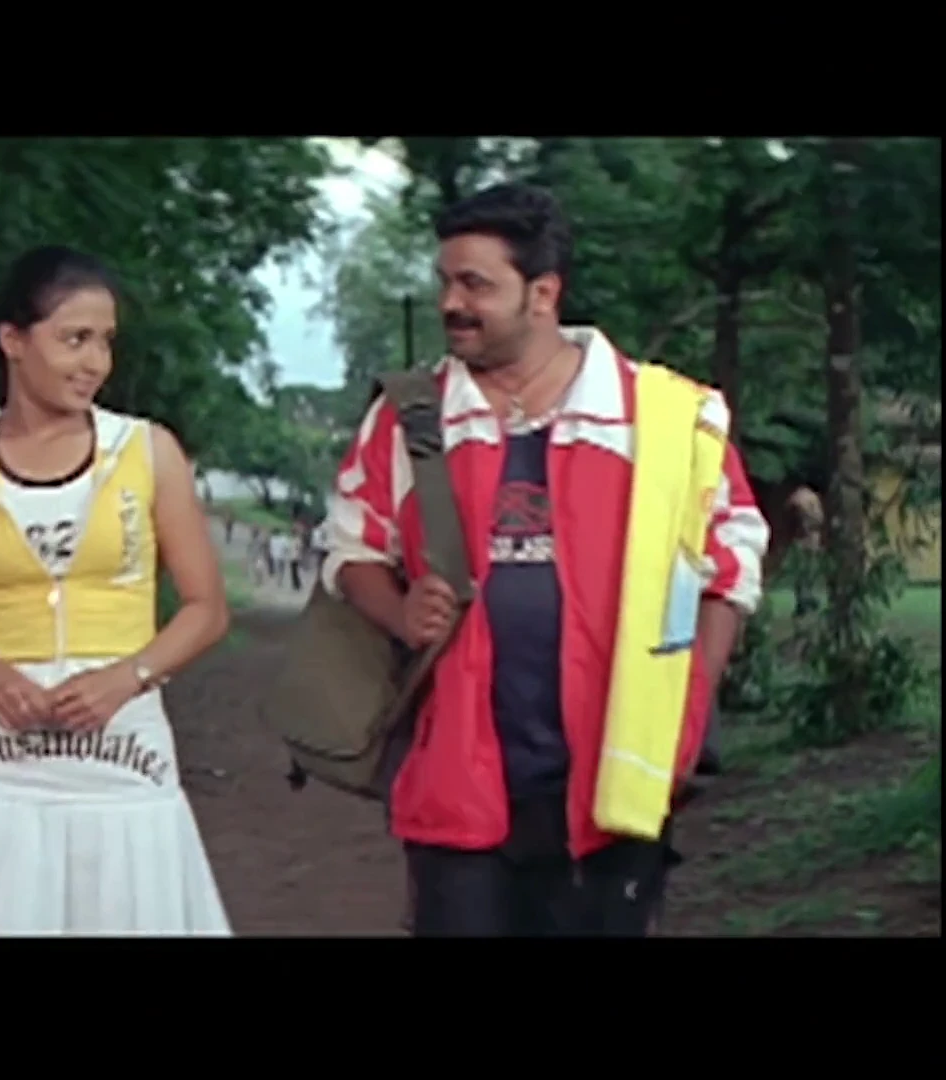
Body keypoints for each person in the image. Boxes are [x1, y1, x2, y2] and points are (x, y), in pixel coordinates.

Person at [321, 183, 770, 937]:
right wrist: (399, 610)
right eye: (444, 281)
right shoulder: (408, 417)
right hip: (456, 786)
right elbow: (350, 546)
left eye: (476, 284)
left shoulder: (665, 417)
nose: (451, 303)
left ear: (543, 293)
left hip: (613, 787)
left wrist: (686, 701)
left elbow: (730, 566)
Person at [0, 245, 234, 935]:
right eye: (74, 339)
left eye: (105, 341)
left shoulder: (148, 453)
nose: (95, 363)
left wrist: (128, 676)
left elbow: (206, 610)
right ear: (13, 340)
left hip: (125, 763)